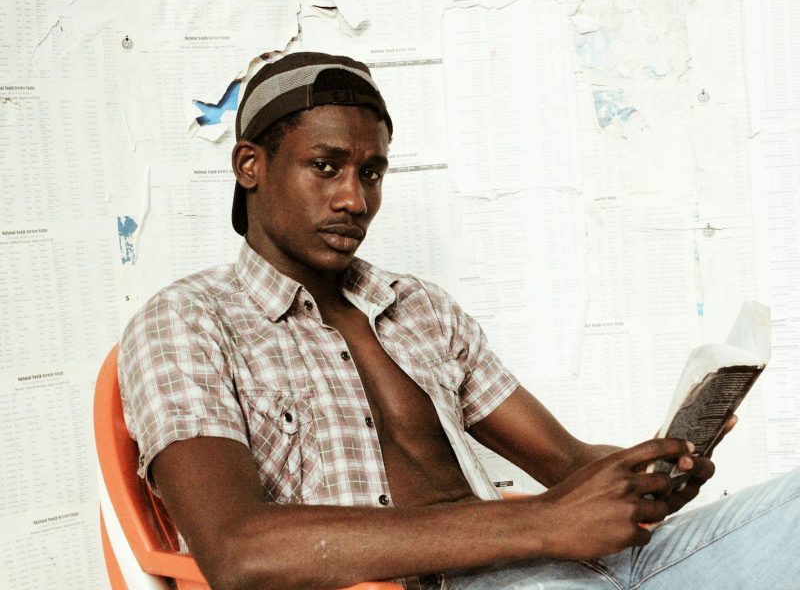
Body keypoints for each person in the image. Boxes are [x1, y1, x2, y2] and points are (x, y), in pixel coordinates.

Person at [119, 52, 800, 590]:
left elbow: (565, 463)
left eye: (372, 173)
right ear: (250, 165)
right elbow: (237, 548)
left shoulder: (418, 306)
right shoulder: (188, 322)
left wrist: (657, 469)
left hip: (568, 565)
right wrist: (542, 523)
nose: (354, 199)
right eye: (325, 167)